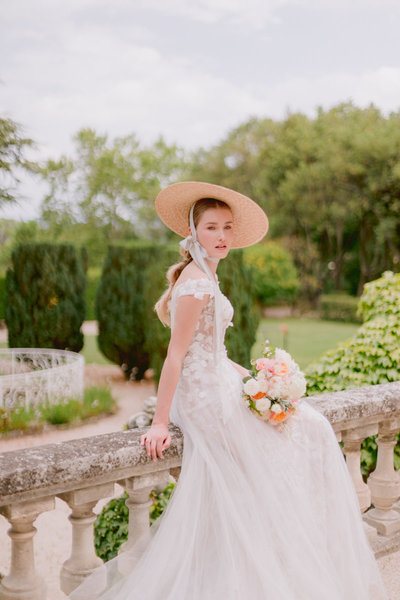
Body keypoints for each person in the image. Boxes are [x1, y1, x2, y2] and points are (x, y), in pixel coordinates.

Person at [71, 181, 388, 599]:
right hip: (204, 398)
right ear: (193, 232)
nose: (221, 236)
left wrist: (263, 377)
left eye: (227, 228)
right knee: (286, 451)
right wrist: (161, 420)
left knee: (309, 424)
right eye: (211, 228)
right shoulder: (197, 283)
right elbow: (176, 356)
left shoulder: (204, 274)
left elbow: (214, 353)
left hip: (220, 380)